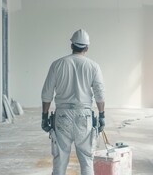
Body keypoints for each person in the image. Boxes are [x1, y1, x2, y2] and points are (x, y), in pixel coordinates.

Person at [41, 29, 105, 175]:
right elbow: (100, 95)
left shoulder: (57, 64)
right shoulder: (93, 66)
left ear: (71, 45)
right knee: (87, 160)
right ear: (87, 48)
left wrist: (44, 117)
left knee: (60, 159)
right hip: (84, 116)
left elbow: (46, 94)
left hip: (62, 116)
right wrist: (102, 116)